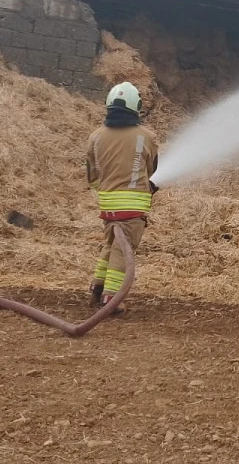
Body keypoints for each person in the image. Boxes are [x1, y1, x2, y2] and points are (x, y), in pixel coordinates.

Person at [85, 81, 159, 310]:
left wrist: (106, 191)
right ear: (135, 106)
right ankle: (111, 299)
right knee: (122, 250)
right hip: (133, 206)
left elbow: (91, 175)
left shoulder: (95, 137)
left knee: (110, 245)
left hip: (108, 205)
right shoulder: (145, 136)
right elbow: (152, 168)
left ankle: (97, 289)